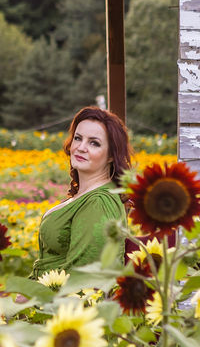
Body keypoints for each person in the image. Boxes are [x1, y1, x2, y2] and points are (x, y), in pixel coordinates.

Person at [31, 106, 131, 277]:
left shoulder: (99, 202)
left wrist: (34, 294)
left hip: (62, 301)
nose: (81, 147)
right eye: (78, 138)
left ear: (111, 156)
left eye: (94, 143)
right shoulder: (86, 195)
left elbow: (83, 278)